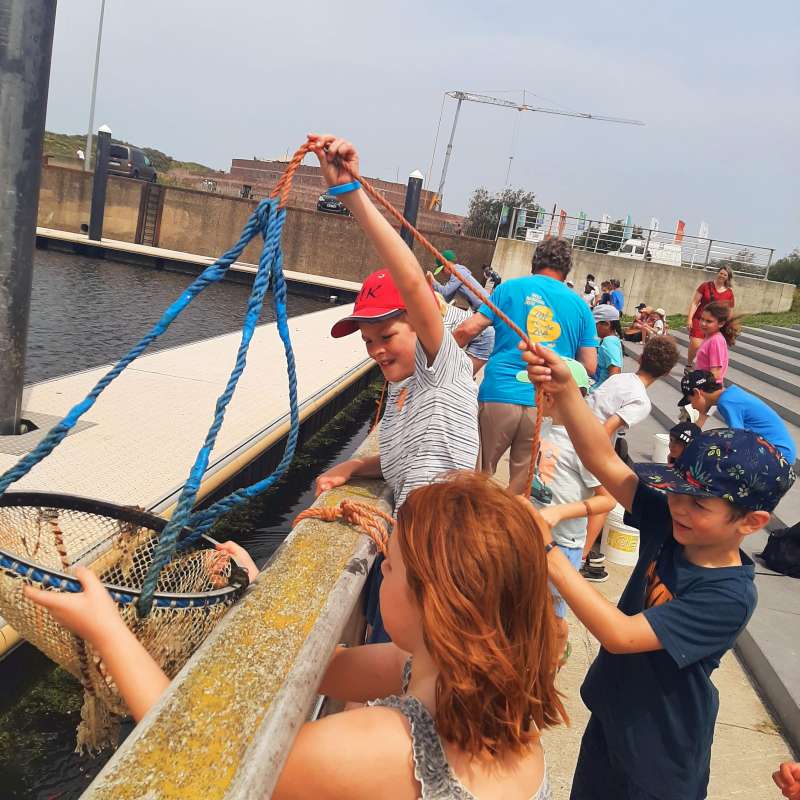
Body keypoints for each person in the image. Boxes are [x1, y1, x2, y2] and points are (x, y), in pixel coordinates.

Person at [26, 472, 567, 800]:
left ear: (436, 607)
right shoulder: (497, 702)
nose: (381, 568)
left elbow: (194, 749)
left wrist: (107, 629)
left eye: (391, 567)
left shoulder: (381, 747)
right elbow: (307, 660)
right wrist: (254, 590)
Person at [521, 343, 795, 800]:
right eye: (676, 493)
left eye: (699, 503)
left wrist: (546, 551)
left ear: (751, 522)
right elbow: (604, 461)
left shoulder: (727, 596)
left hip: (660, 761)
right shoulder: (674, 522)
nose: (680, 507)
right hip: (612, 721)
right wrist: (567, 392)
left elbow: (620, 634)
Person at [308, 135, 479, 644]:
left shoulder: (439, 367)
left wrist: (351, 194)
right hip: (405, 556)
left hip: (437, 567)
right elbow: (403, 462)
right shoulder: (404, 392)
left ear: (420, 325)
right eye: (368, 341)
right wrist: (352, 468)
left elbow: (410, 282)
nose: (377, 350)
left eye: (387, 336)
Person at [453, 237, 598, 494]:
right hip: (544, 404)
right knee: (521, 487)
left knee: (477, 477)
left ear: (534, 263)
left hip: (499, 394)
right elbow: (589, 365)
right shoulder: (581, 307)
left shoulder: (508, 289)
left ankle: (471, 516)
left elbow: (467, 330)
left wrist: (441, 361)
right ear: (567, 270)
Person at [530, 358, 616, 665]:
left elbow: (607, 500)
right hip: (536, 535)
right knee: (533, 604)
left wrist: (561, 513)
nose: (534, 396)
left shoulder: (583, 444)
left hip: (563, 544)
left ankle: (554, 658)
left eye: (537, 390)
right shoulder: (544, 428)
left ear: (552, 395)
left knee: (554, 613)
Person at [581, 336, 680, 580]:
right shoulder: (641, 400)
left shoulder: (619, 378)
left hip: (577, 431)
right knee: (605, 500)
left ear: (641, 358)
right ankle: (580, 558)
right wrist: (601, 462)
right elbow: (607, 428)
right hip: (589, 444)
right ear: (667, 372)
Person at [679, 370, 796, 463]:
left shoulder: (726, 402)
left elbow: (738, 439)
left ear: (697, 393)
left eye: (691, 401)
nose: (693, 406)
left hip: (778, 455)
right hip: (781, 451)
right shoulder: (731, 394)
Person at [687, 265, 735, 369]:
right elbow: (695, 302)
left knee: (710, 346)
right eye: (721, 273)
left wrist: (729, 325)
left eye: (725, 275)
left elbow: (730, 311)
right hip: (700, 319)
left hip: (715, 323)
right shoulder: (705, 286)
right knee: (695, 344)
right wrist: (689, 319)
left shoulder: (729, 293)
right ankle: (689, 364)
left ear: (728, 277)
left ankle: (701, 367)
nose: (722, 276)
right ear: (717, 273)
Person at [694, 300, 742, 383]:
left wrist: (697, 384)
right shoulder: (709, 337)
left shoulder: (715, 341)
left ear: (721, 323)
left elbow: (715, 374)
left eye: (709, 321)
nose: (703, 323)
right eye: (702, 319)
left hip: (708, 388)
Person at [591, 304, 623, 390]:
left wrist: (605, 394)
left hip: (600, 391)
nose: (593, 328)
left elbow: (615, 371)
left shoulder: (609, 341)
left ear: (607, 324)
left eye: (595, 324)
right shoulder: (612, 339)